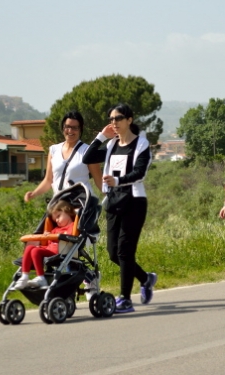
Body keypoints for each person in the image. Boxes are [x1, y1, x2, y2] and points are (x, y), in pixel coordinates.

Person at [82, 103, 157, 314]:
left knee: (125, 251)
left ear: (129, 120)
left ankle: (125, 299)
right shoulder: (111, 146)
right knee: (113, 253)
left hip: (134, 201)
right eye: (111, 119)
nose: (114, 122)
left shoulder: (141, 145)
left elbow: (140, 174)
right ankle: (146, 278)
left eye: (118, 118)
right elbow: (87, 158)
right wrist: (100, 137)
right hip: (114, 202)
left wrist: (117, 180)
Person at [24, 110, 102, 202]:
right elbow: (48, 180)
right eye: (67, 127)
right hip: (59, 205)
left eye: (75, 128)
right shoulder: (54, 150)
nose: (70, 131)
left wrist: (114, 199)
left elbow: (99, 181)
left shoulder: (88, 151)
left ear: (81, 129)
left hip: (81, 205)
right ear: (62, 127)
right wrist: (33, 194)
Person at [13, 200, 76, 290]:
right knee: (30, 247)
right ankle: (24, 276)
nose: (57, 220)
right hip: (50, 250)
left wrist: (51, 237)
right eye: (55, 220)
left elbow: (69, 237)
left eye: (58, 216)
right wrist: (47, 236)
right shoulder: (56, 229)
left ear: (67, 211)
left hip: (61, 251)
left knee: (35, 250)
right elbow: (49, 242)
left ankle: (41, 278)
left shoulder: (72, 226)